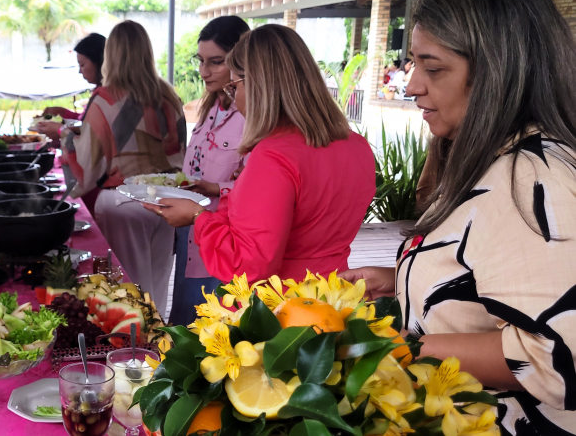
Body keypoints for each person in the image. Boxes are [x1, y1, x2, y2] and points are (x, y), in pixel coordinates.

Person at [343, 0, 576, 434]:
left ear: (496, 72)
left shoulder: (529, 175)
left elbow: (557, 354)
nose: (411, 86)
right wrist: (411, 280)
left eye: (434, 68)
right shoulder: (500, 161)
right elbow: (507, 278)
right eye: (413, 65)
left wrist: (389, 348)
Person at [144, 24, 375, 285]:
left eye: (234, 87)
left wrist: (198, 217)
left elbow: (247, 265)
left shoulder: (274, 157)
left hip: (280, 308)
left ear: (258, 86)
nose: (234, 98)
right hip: (334, 294)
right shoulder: (357, 146)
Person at [62, 20, 186, 315]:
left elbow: (90, 161)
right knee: (156, 284)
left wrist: (67, 138)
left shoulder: (105, 98)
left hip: (123, 199)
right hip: (168, 198)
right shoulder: (168, 95)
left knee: (128, 289)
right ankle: (158, 349)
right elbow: (180, 148)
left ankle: (132, 353)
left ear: (111, 54)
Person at [168, 16, 249, 326]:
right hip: (192, 233)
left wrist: (217, 189)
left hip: (224, 240)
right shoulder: (211, 106)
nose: (204, 71)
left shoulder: (253, 115)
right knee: (183, 322)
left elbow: (259, 190)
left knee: (211, 333)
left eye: (216, 62)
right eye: (200, 61)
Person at [36, 33, 106, 142]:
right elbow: (84, 123)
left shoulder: (104, 97)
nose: (79, 71)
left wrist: (59, 130)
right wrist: (62, 112)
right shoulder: (100, 93)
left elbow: (87, 141)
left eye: (82, 65)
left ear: (99, 63)